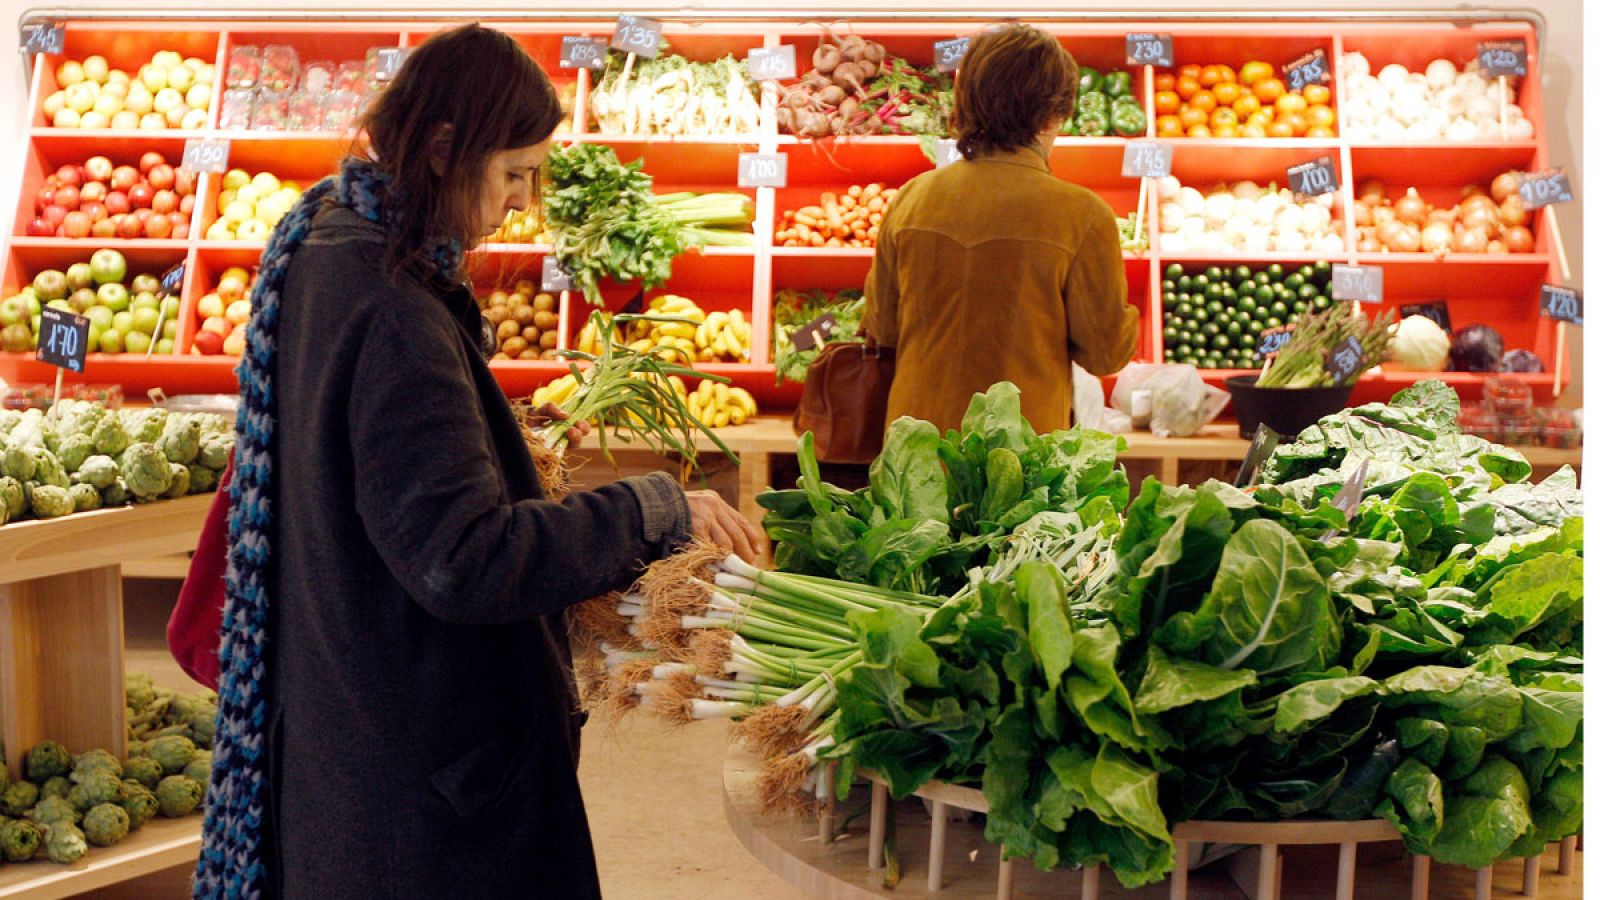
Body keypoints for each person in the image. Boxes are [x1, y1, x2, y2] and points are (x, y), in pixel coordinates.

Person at [193, 24, 762, 899]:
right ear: (443, 150)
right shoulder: (394, 310)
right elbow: (463, 559)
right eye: (514, 174)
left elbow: (388, 488)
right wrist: (650, 509)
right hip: (422, 788)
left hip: (346, 731)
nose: (523, 202)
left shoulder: (320, 242)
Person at [863, 24, 1140, 434]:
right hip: (1020, 452)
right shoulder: (1082, 216)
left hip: (915, 447)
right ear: (1055, 113)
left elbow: (882, 328)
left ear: (965, 101)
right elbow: (1105, 354)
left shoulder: (912, 198)